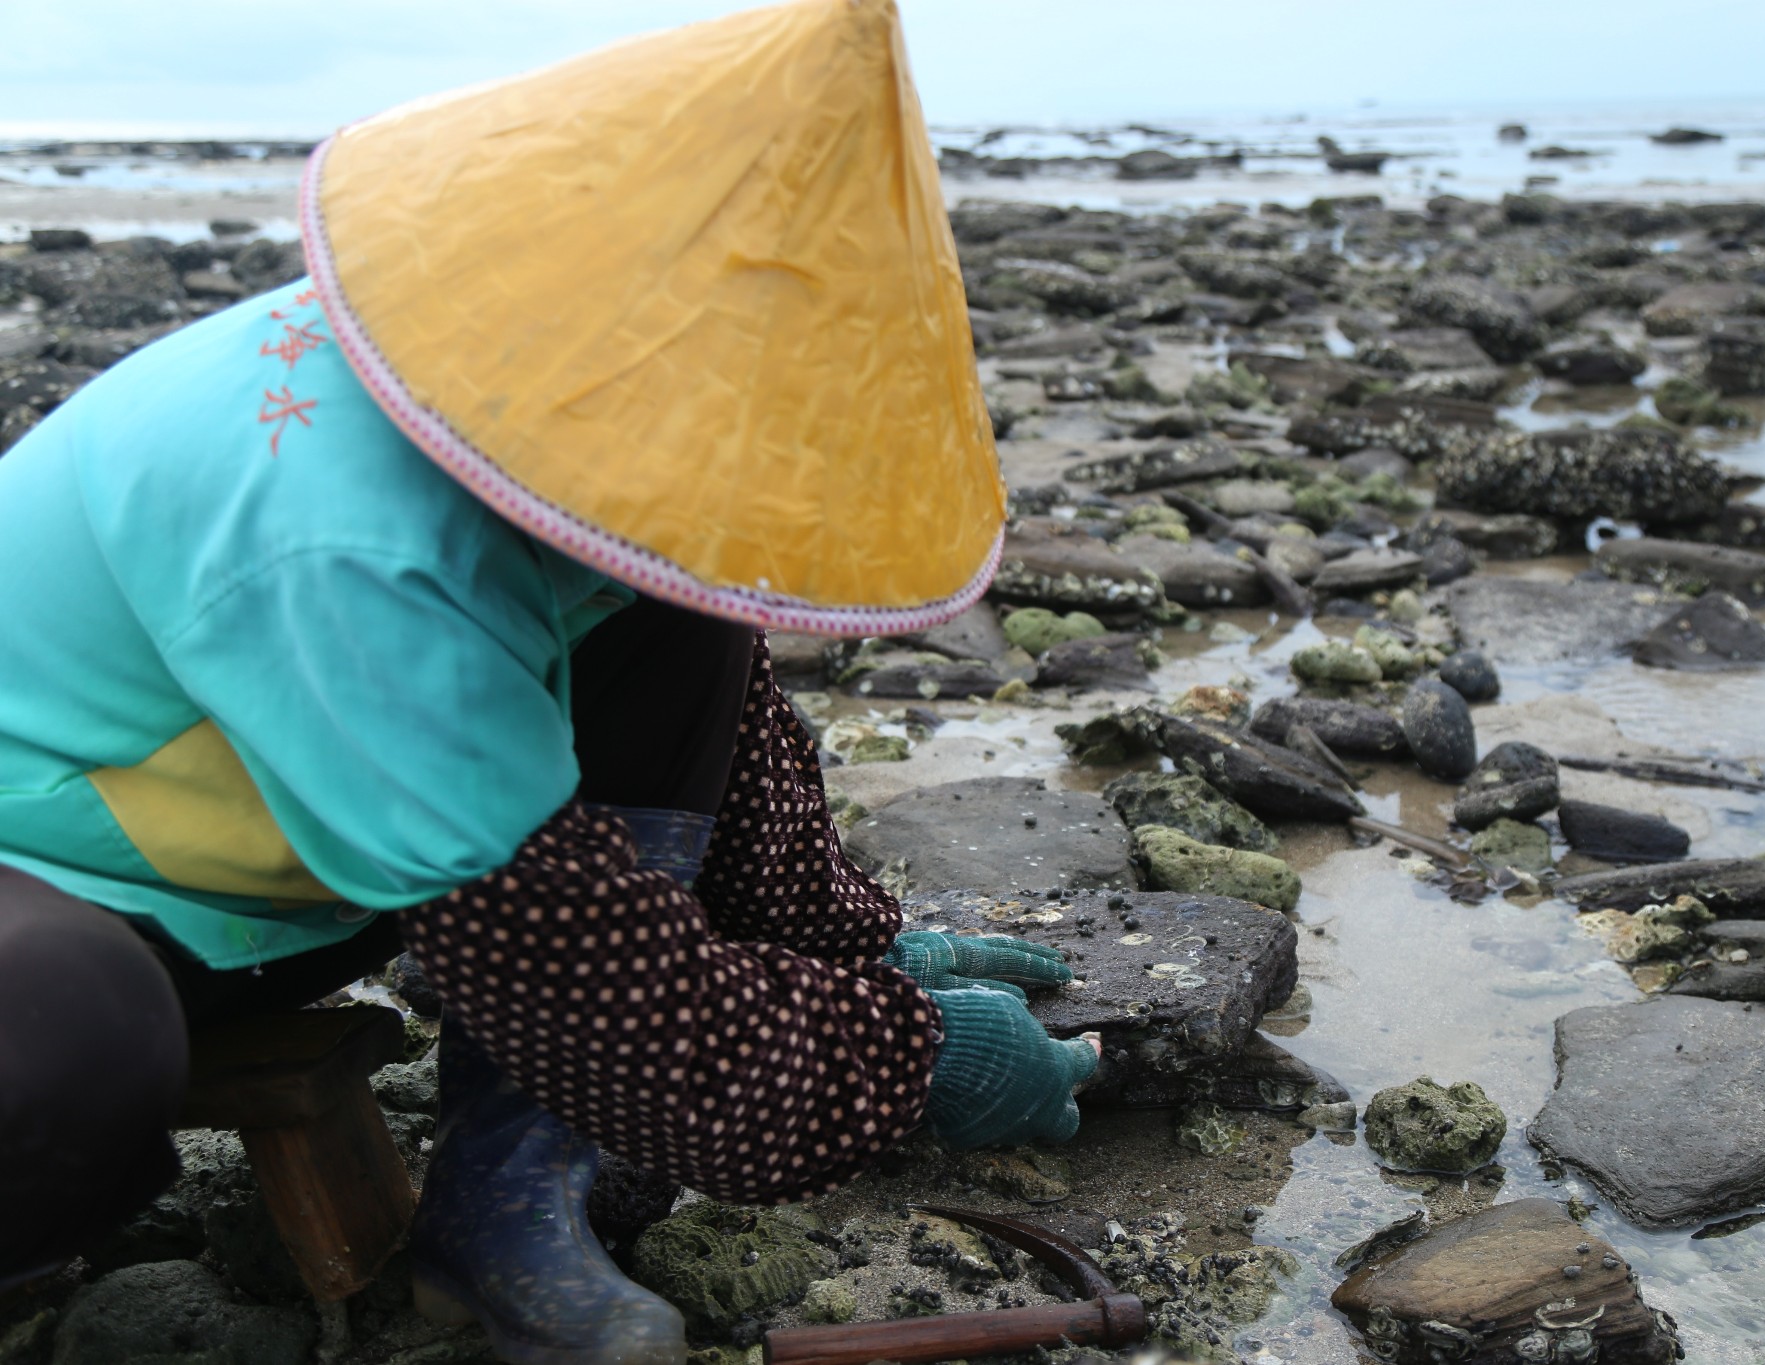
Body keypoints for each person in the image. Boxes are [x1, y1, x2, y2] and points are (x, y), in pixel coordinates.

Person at [0, 2, 1099, 1360]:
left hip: (304, 860)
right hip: (51, 883)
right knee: (59, 1052)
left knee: (675, 607)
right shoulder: (344, 542)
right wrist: (923, 1057)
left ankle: (504, 1195)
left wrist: (849, 943)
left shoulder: (511, 405)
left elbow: (698, 710)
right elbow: (593, 984)